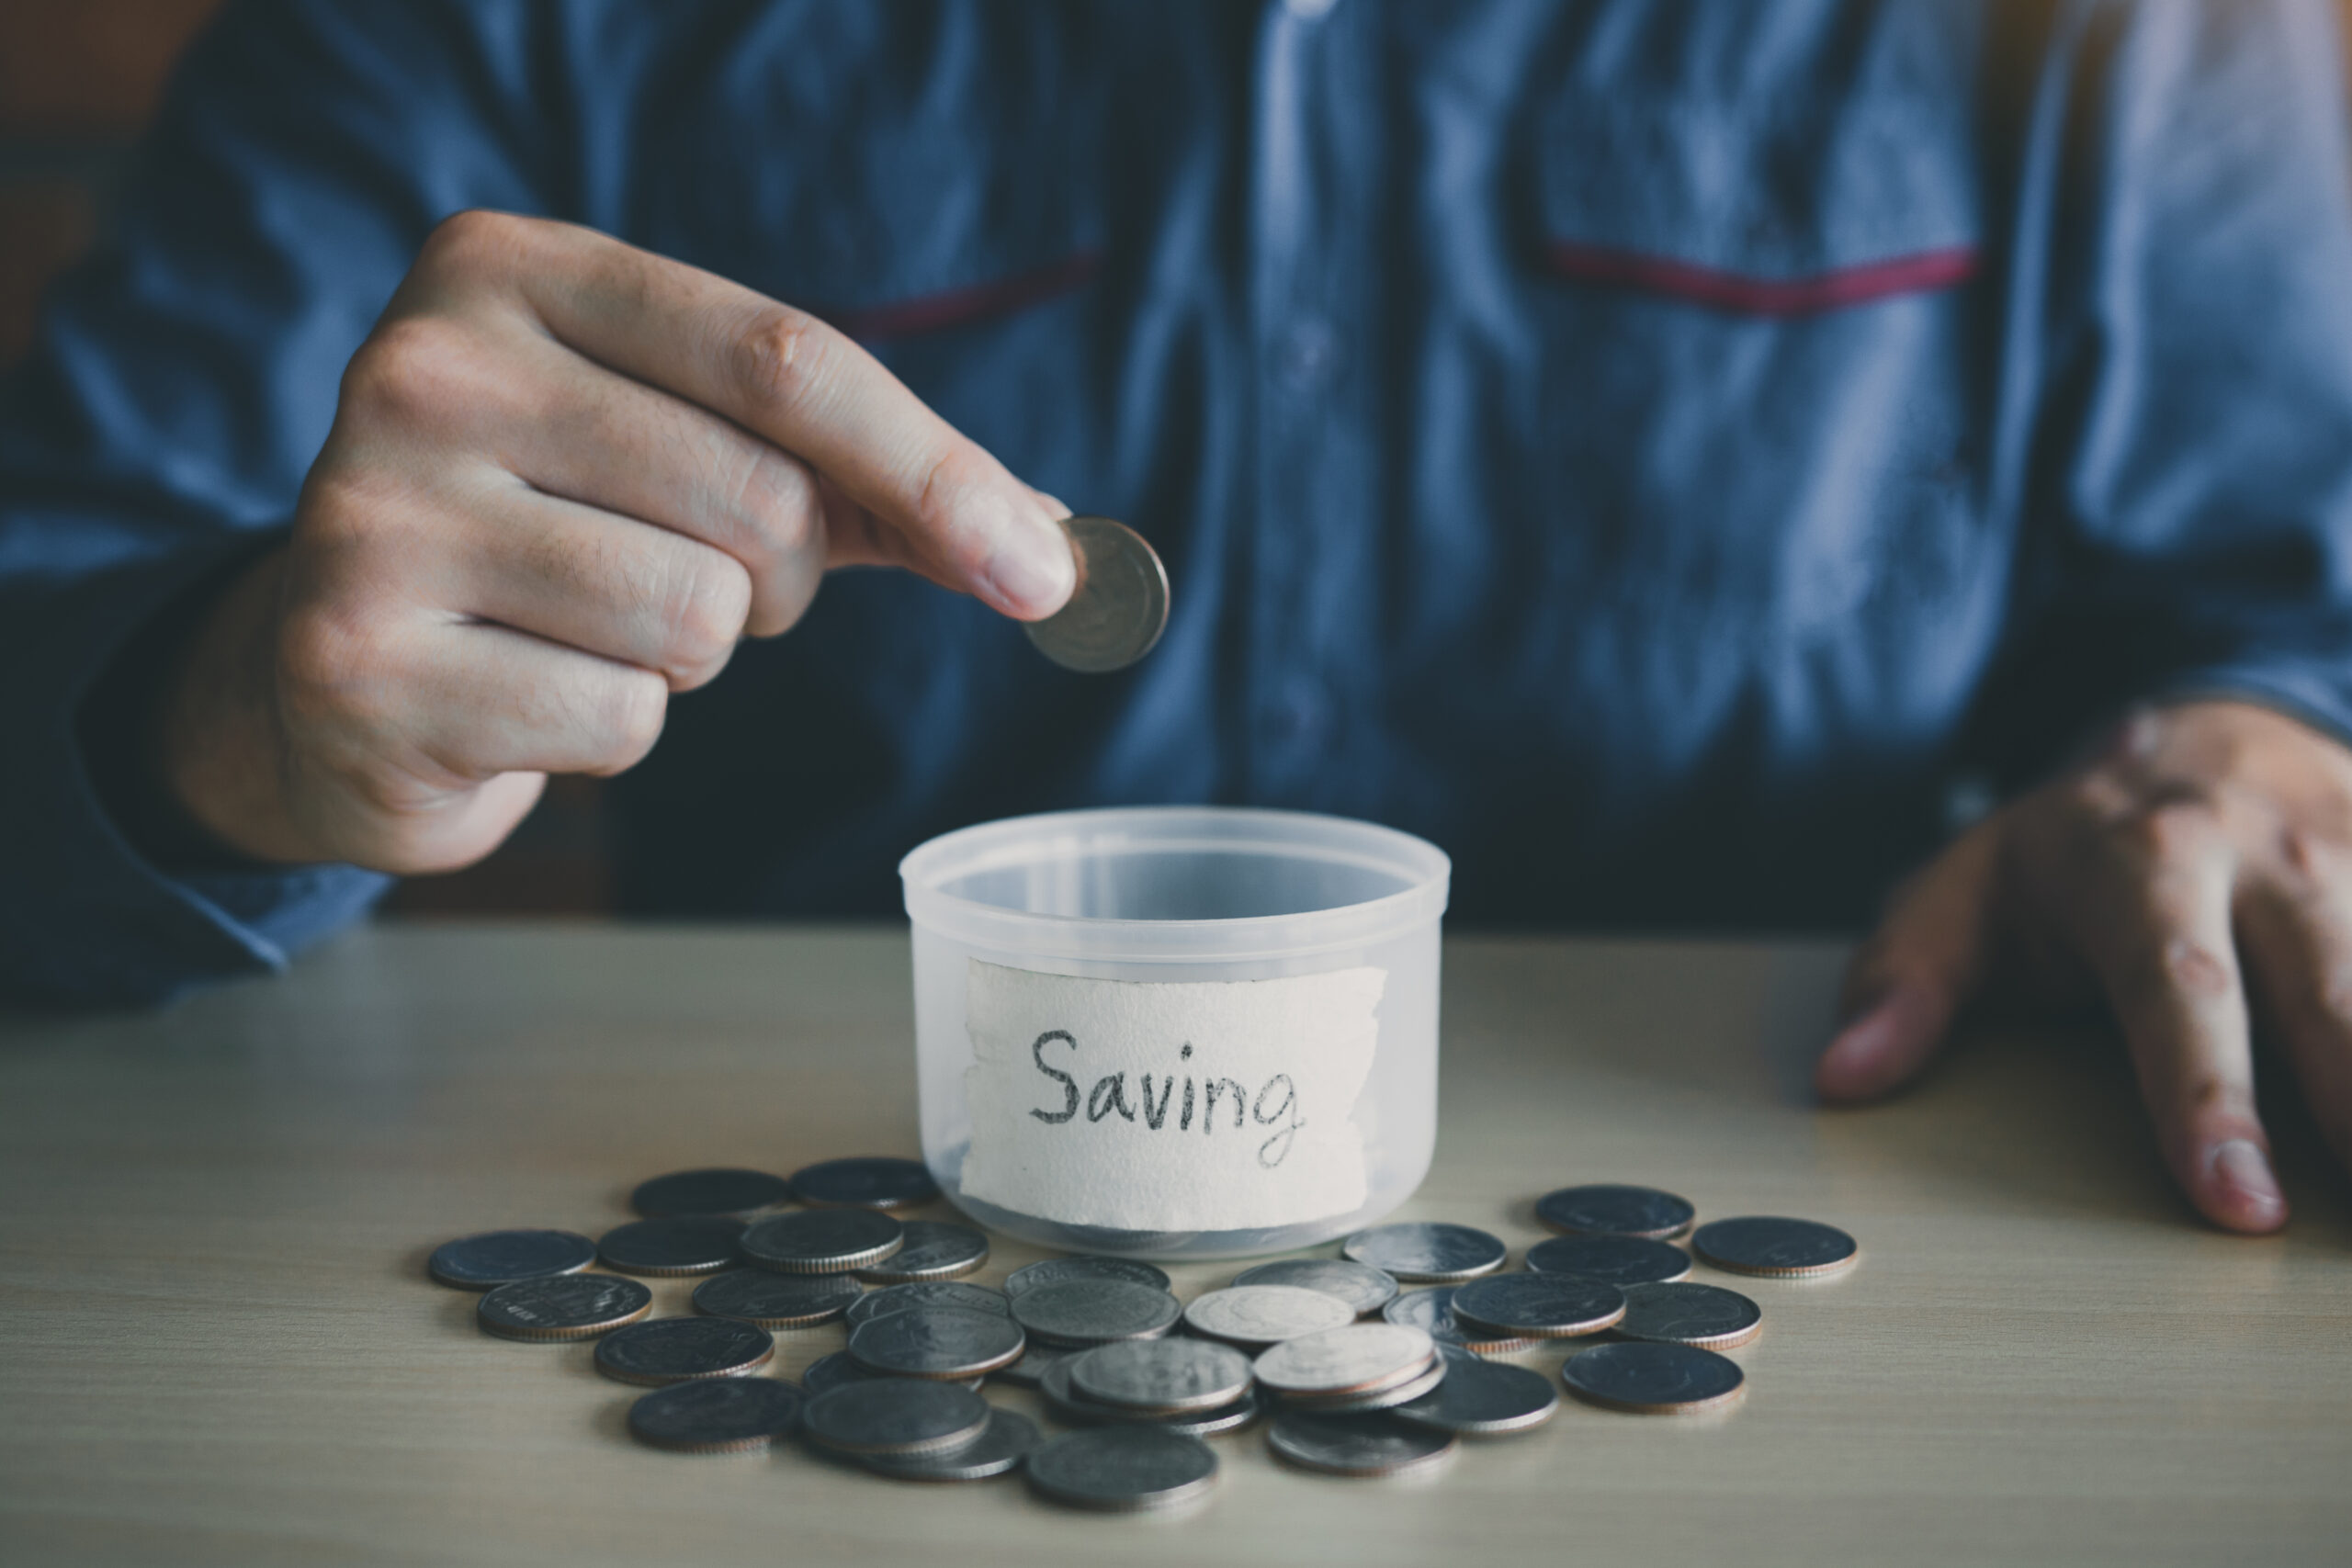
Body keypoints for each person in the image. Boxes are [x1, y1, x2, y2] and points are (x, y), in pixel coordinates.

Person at [4, 1, 2351, 1237]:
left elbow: (2275, 597)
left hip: (1800, 1257)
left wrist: (2237, 740)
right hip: (866, 1299)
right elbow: (47, 608)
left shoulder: (2116, 20)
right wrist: (227, 707)